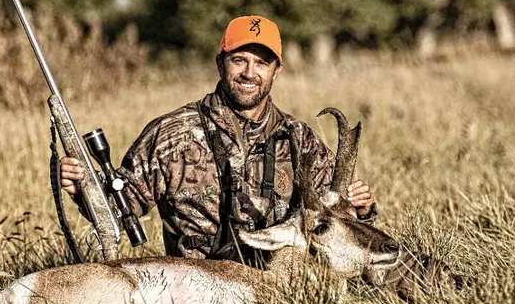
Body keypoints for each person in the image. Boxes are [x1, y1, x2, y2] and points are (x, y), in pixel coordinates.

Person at [59, 15, 375, 263]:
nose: (249, 72)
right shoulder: (172, 135)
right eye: (239, 59)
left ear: (276, 71)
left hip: (279, 288)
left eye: (262, 62)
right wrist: (83, 186)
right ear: (220, 63)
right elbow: (119, 209)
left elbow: (333, 223)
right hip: (194, 291)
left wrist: (362, 207)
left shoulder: (299, 139)